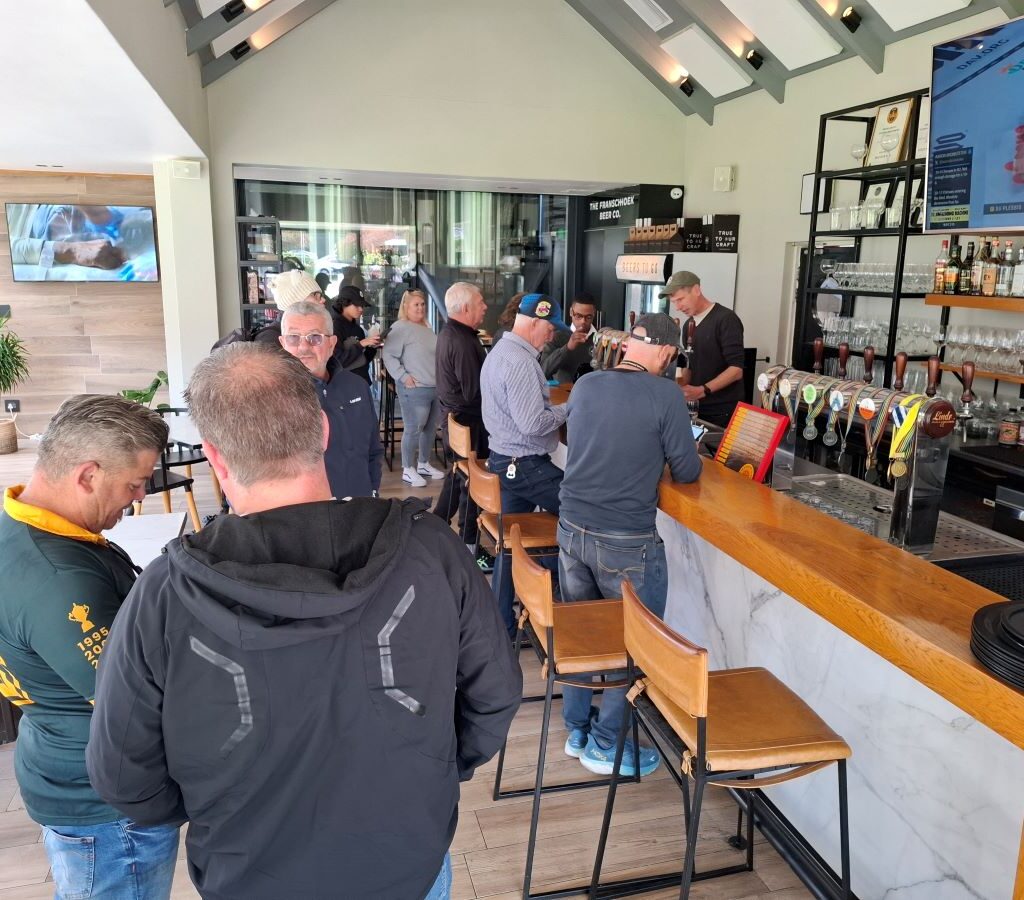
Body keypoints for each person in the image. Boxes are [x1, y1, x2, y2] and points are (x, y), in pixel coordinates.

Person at [86, 343, 522, 900]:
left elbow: (124, 775)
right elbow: (496, 693)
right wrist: (433, 768)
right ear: (323, 429)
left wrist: (217, 807)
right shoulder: (432, 548)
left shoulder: (162, 593)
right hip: (407, 859)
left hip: (249, 874)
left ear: (215, 457)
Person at [0, 395, 179, 899]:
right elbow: (138, 705)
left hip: (59, 763)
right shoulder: (59, 579)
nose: (139, 497)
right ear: (88, 475)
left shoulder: (17, 527)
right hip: (106, 808)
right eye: (135, 483)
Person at [558, 314, 703, 777]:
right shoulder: (665, 394)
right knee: (637, 646)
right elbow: (688, 471)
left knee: (584, 632)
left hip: (571, 528)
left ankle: (577, 730)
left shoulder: (587, 384)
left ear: (626, 346)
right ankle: (605, 745)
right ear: (665, 352)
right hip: (625, 541)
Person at [481, 293, 570, 632]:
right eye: (550, 328)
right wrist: (571, 406)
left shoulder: (501, 350)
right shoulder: (520, 361)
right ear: (535, 322)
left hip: (505, 461)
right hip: (523, 465)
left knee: (509, 544)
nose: (552, 335)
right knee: (581, 509)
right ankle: (559, 611)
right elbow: (533, 424)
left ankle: (500, 623)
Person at [279, 300, 383, 499]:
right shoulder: (268, 397)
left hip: (360, 505)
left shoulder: (357, 387)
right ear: (283, 343)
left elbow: (373, 450)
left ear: (332, 343)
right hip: (304, 511)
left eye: (315, 337)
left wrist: (371, 491)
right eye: (293, 337)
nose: (304, 347)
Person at [433, 282, 489, 545]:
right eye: (480, 302)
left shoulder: (451, 333)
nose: (485, 307)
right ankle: (469, 543)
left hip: (455, 419)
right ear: (466, 308)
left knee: (459, 475)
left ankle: (436, 525)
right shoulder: (462, 341)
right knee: (471, 482)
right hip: (468, 422)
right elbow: (473, 393)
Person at [663, 270, 746, 427]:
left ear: (696, 290)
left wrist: (703, 390)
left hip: (722, 412)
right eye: (674, 302)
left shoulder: (726, 319)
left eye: (680, 299)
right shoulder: (688, 325)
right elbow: (691, 366)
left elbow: (736, 370)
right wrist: (677, 386)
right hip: (696, 409)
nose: (678, 307)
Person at [382, 289, 445, 487]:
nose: (420, 308)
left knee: (429, 429)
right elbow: (388, 354)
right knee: (413, 429)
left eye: (422, 304)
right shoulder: (400, 327)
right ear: (406, 307)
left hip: (433, 386)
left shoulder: (427, 327)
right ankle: (408, 469)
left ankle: (423, 464)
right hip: (415, 388)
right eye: (416, 304)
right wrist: (403, 376)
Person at [253, 269, 324, 346]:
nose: (323, 300)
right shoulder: (269, 339)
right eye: (316, 295)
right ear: (296, 300)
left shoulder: (311, 330)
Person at [540, 291, 598, 383]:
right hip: (565, 391)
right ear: (571, 312)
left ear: (594, 314)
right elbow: (543, 372)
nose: (583, 321)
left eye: (588, 317)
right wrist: (567, 348)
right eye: (578, 316)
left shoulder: (601, 338)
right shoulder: (557, 336)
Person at [331, 284, 381, 384]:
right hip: (345, 385)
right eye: (357, 305)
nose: (361, 309)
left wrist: (373, 347)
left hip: (362, 382)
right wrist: (361, 344)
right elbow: (338, 361)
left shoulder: (358, 329)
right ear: (344, 303)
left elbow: (363, 360)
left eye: (362, 306)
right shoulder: (335, 327)